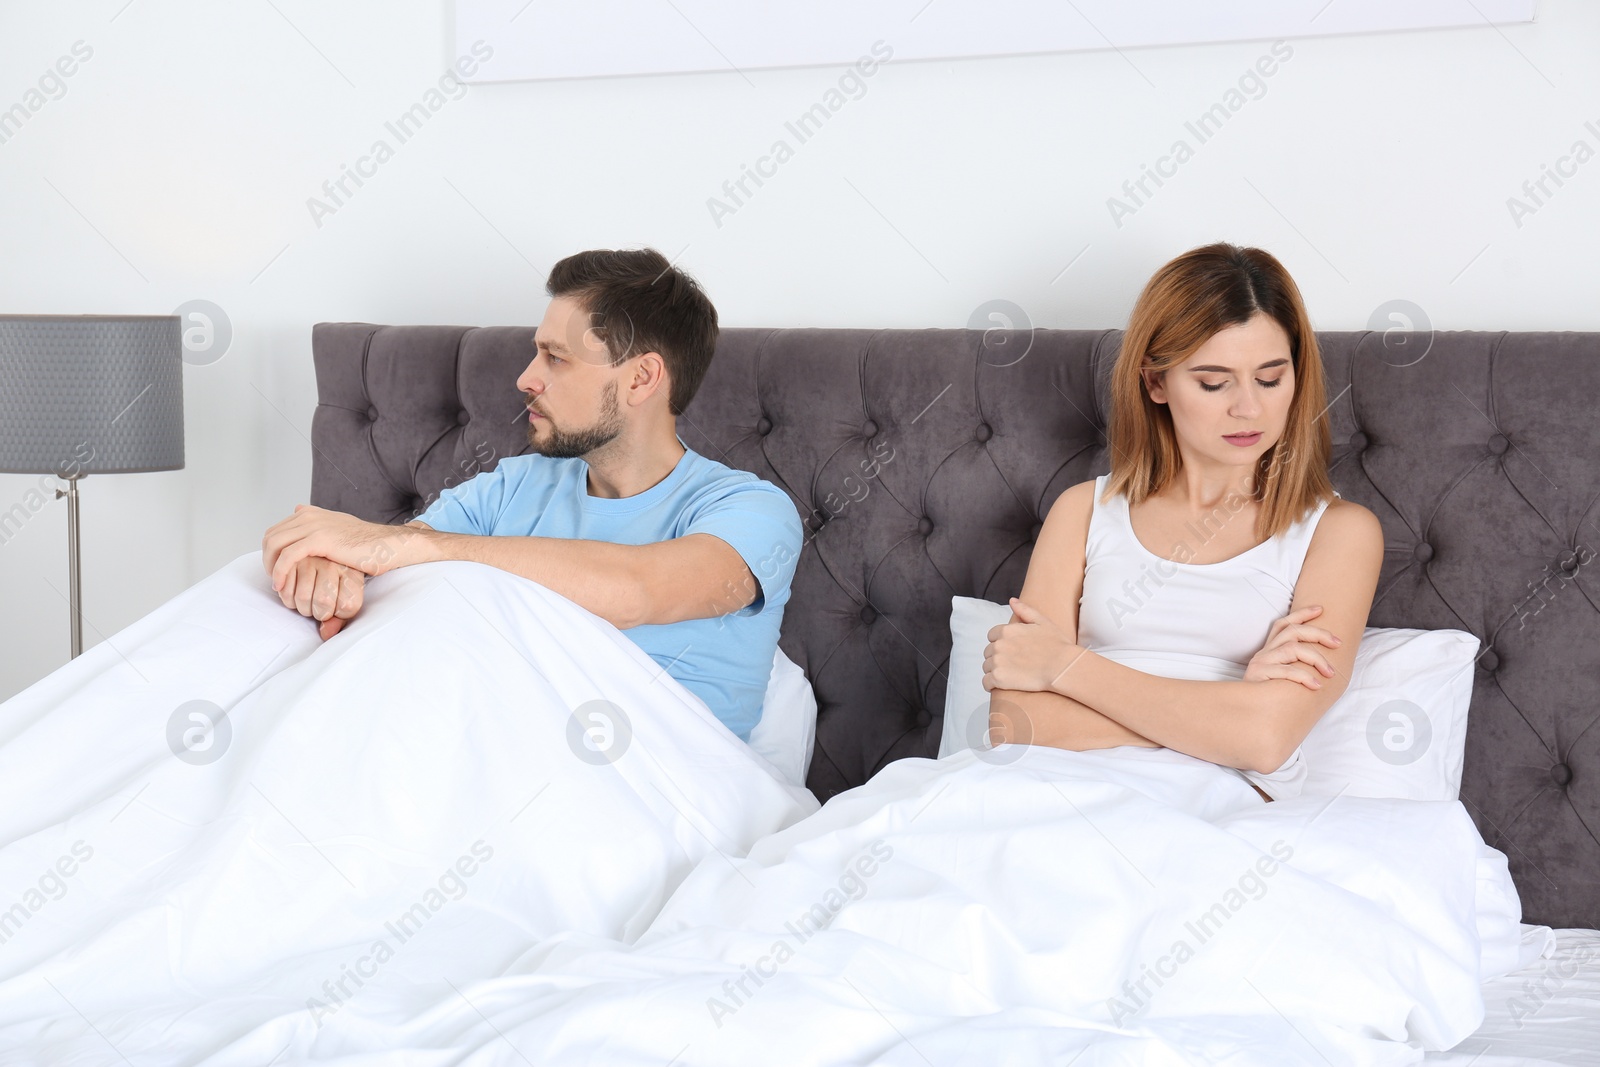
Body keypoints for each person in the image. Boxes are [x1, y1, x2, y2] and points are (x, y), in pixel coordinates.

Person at [260, 248, 803, 742]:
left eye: (556, 357)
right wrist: (334, 573)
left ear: (641, 379)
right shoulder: (511, 487)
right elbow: (394, 567)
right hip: (498, 746)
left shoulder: (751, 512)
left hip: (667, 781)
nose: (525, 378)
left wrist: (408, 548)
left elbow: (638, 590)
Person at [981, 242, 1384, 802]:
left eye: (1270, 379)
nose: (1248, 408)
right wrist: (1227, 714)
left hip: (1213, 812)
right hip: (1051, 792)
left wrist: (1064, 668)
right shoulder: (1083, 511)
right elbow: (1013, 727)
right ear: (1155, 383)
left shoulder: (1340, 533)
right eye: (1214, 383)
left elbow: (1265, 741)